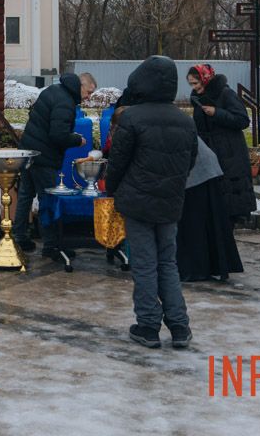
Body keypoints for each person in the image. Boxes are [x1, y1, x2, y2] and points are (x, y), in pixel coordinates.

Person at [106, 56, 197, 349]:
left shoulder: (132, 118)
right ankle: (180, 326)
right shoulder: (185, 120)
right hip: (170, 202)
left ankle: (147, 325)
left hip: (138, 201)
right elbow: (190, 160)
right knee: (168, 263)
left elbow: (117, 162)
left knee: (144, 265)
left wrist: (115, 191)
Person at [11, 72, 91, 262]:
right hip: (44, 158)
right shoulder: (65, 102)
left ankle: (19, 236)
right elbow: (58, 134)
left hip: (29, 151)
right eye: (89, 92)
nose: (89, 97)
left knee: (25, 195)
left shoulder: (53, 90)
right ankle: (51, 245)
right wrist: (77, 140)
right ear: (80, 86)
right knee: (48, 199)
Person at [186, 64, 256, 226]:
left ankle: (235, 217)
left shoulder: (226, 94)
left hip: (229, 149)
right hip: (208, 149)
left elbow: (242, 120)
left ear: (205, 79)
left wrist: (217, 113)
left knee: (231, 187)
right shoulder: (197, 99)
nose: (194, 88)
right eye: (191, 84)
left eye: (196, 83)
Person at [176, 138, 244, 282]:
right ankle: (209, 266)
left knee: (194, 223)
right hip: (200, 166)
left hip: (195, 171)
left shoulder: (139, 123)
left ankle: (196, 270)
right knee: (205, 221)